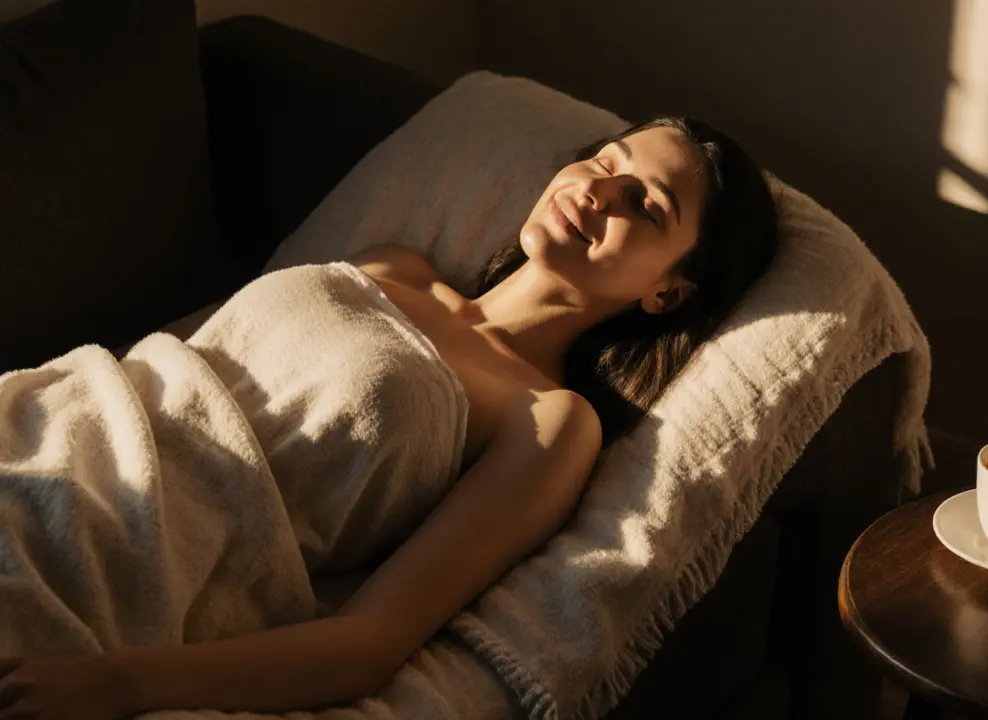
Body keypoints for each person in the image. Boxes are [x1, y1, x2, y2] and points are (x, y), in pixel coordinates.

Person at [0, 116, 778, 718]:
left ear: (668, 293)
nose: (599, 191)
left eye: (645, 203)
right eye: (607, 161)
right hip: (43, 422)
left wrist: (117, 684)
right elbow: (165, 347)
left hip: (114, 547)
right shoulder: (395, 263)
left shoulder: (549, 423)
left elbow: (367, 645)